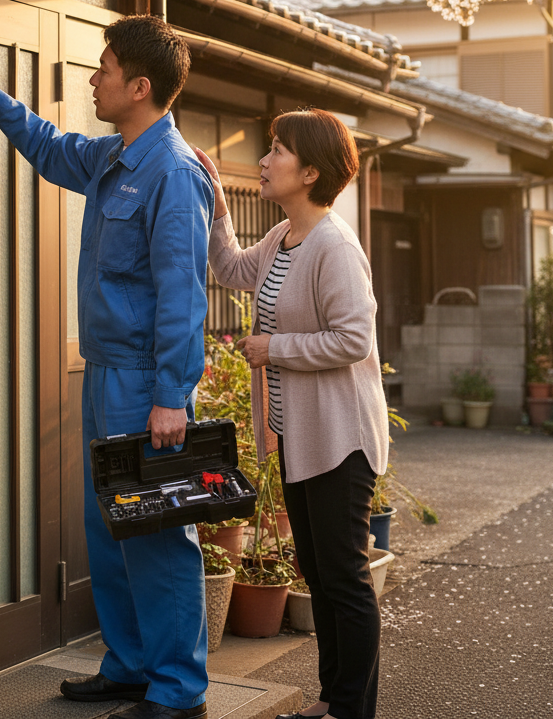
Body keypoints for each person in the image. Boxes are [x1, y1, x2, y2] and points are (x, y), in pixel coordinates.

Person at [0, 15, 214, 719]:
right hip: (105, 373)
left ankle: (179, 689)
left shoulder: (175, 173)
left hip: (144, 383)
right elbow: (48, 146)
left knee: (157, 532)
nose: (92, 80)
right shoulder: (112, 158)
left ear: (139, 85)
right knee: (110, 526)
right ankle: (129, 665)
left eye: (102, 69)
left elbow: (185, 296)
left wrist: (170, 396)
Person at [195, 108, 388, 719]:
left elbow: (354, 338)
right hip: (305, 440)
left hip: (341, 440)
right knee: (324, 577)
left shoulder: (334, 244)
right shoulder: (283, 238)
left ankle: (350, 710)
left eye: (277, 150)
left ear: (309, 172)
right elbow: (229, 270)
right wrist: (220, 211)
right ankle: (336, 703)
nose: (264, 158)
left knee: (344, 581)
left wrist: (274, 348)